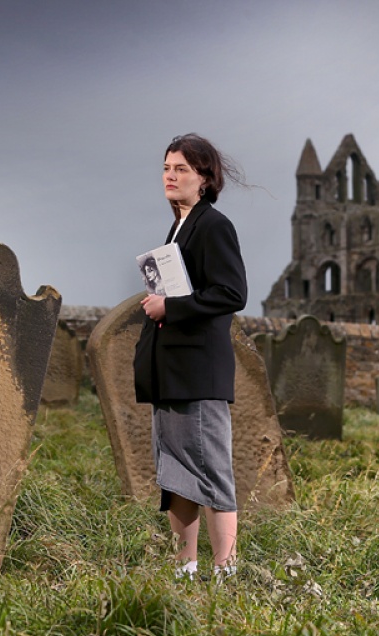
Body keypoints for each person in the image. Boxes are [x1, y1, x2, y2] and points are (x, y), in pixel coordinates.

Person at [133, 133, 248, 581]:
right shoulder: (179, 226)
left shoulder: (214, 225)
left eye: (181, 169)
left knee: (213, 471)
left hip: (199, 372)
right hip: (172, 371)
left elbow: (232, 292)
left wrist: (171, 306)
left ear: (204, 178)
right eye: (166, 167)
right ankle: (185, 569)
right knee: (177, 474)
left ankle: (225, 572)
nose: (170, 176)